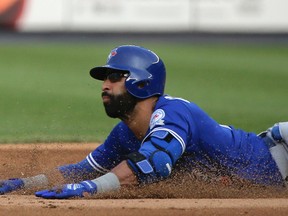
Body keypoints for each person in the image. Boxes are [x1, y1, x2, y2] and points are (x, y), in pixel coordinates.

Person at [1, 45, 288, 199]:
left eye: (115, 77)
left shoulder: (172, 113)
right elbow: (80, 171)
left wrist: (91, 189)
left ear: (141, 81)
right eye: (104, 78)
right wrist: (22, 183)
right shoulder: (125, 133)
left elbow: (154, 162)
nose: (105, 84)